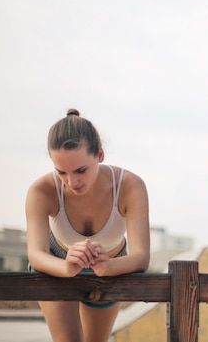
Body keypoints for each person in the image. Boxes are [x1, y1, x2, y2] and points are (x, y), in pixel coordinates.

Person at [25, 109, 150, 342]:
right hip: (56, 266)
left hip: (112, 267)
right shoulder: (41, 191)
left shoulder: (130, 187)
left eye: (81, 170)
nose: (72, 182)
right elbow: (35, 254)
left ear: (100, 155)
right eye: (61, 172)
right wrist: (66, 268)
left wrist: (108, 267)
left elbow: (141, 257)